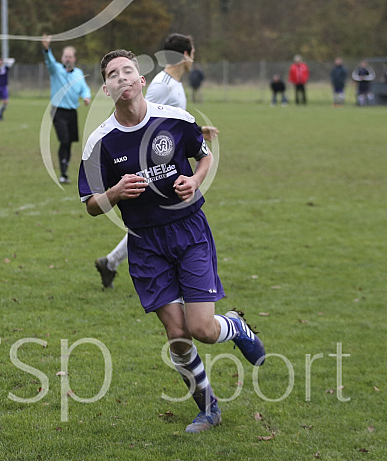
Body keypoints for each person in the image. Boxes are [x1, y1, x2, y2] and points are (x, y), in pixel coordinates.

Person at [79, 49, 265, 434]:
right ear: (106, 89)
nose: (123, 78)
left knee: (202, 329)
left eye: (129, 70)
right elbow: (90, 205)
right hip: (144, 244)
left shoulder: (175, 120)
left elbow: (205, 156)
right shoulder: (100, 142)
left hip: (188, 232)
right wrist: (113, 193)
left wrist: (194, 181)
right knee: (176, 334)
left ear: (141, 80)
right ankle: (208, 407)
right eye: (113, 74)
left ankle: (236, 327)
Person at [94, 33, 219, 290]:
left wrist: (197, 132)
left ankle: (112, 261)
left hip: (165, 167)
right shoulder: (162, 84)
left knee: (157, 222)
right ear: (185, 55)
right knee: (151, 222)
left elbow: (169, 124)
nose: (193, 59)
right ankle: (113, 261)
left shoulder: (175, 83)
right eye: (192, 53)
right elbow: (144, 124)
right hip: (148, 166)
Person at [41, 35, 91, 184]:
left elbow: (84, 88)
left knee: (69, 142)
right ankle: (63, 173)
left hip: (71, 112)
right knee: (64, 140)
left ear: (74, 59)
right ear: (62, 58)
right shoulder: (56, 70)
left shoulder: (78, 73)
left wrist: (86, 96)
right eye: (65, 56)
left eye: (70, 57)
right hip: (58, 111)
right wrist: (46, 49)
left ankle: (65, 170)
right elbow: (49, 61)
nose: (67, 59)